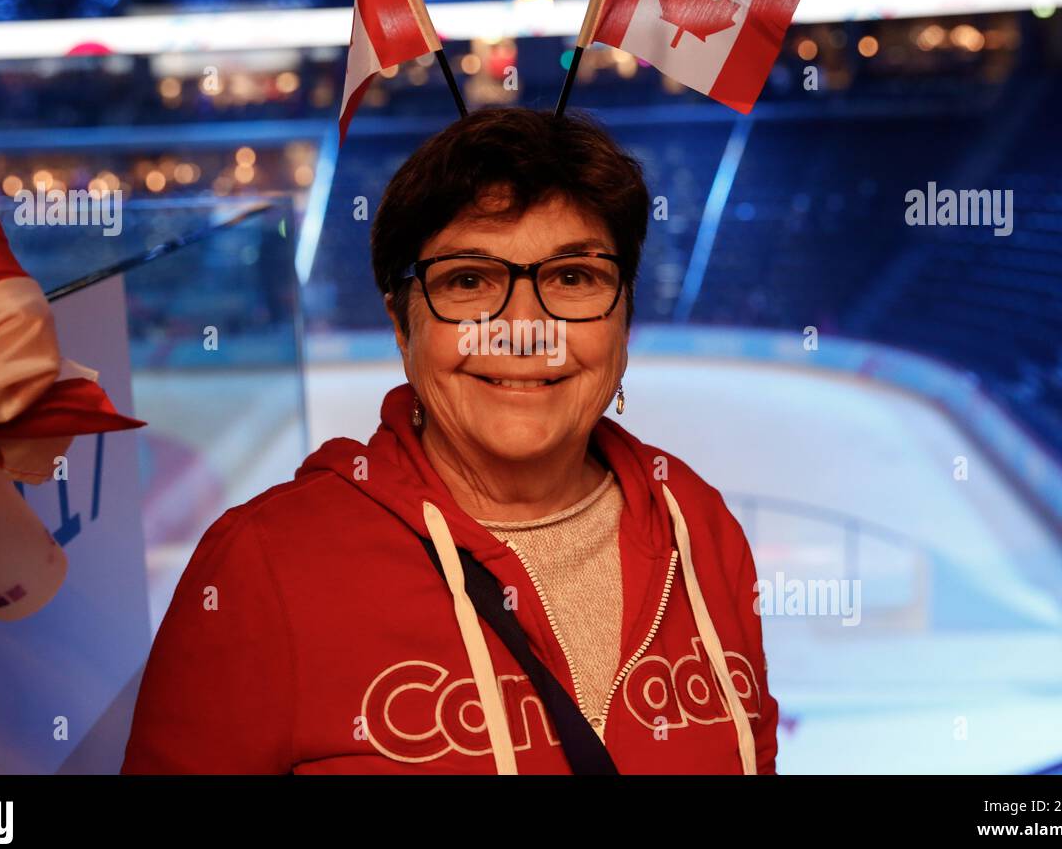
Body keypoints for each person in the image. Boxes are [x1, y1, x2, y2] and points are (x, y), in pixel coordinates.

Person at [122, 107, 779, 774]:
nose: (524, 327)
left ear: (624, 317)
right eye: (469, 281)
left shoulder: (698, 524)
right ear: (402, 327)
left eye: (572, 278)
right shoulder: (260, 567)